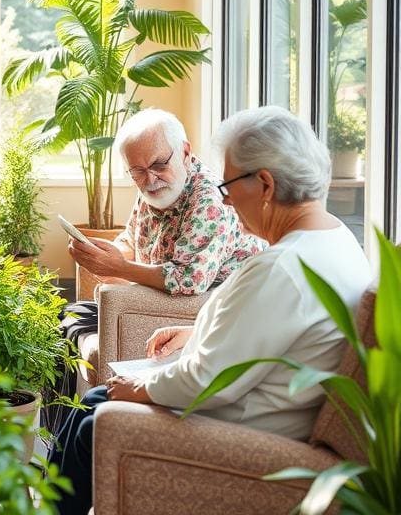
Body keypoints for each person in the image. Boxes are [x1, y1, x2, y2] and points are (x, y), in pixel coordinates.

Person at [49, 106, 373, 514]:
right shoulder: (335, 238)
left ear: (266, 185)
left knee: (95, 418)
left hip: (250, 429)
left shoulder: (282, 268)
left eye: (230, 184)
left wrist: (142, 387)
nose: (227, 198)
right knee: (94, 400)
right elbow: (267, 332)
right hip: (258, 406)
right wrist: (198, 332)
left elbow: (203, 380)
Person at [69, 108, 264, 296]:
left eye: (159, 164)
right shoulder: (153, 186)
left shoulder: (210, 201)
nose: (151, 180)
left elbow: (189, 279)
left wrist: (120, 268)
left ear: (185, 153)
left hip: (213, 305)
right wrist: (102, 255)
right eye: (137, 171)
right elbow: (132, 240)